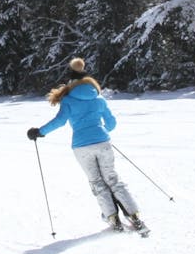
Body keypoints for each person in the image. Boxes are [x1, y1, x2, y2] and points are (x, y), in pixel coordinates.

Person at [28, 58, 147, 234]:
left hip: (81, 146)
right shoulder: (99, 99)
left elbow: (60, 121)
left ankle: (112, 217)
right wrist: (101, 131)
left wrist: (40, 132)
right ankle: (134, 215)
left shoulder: (68, 100)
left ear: (71, 82)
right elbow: (111, 123)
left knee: (97, 181)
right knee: (113, 179)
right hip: (102, 142)